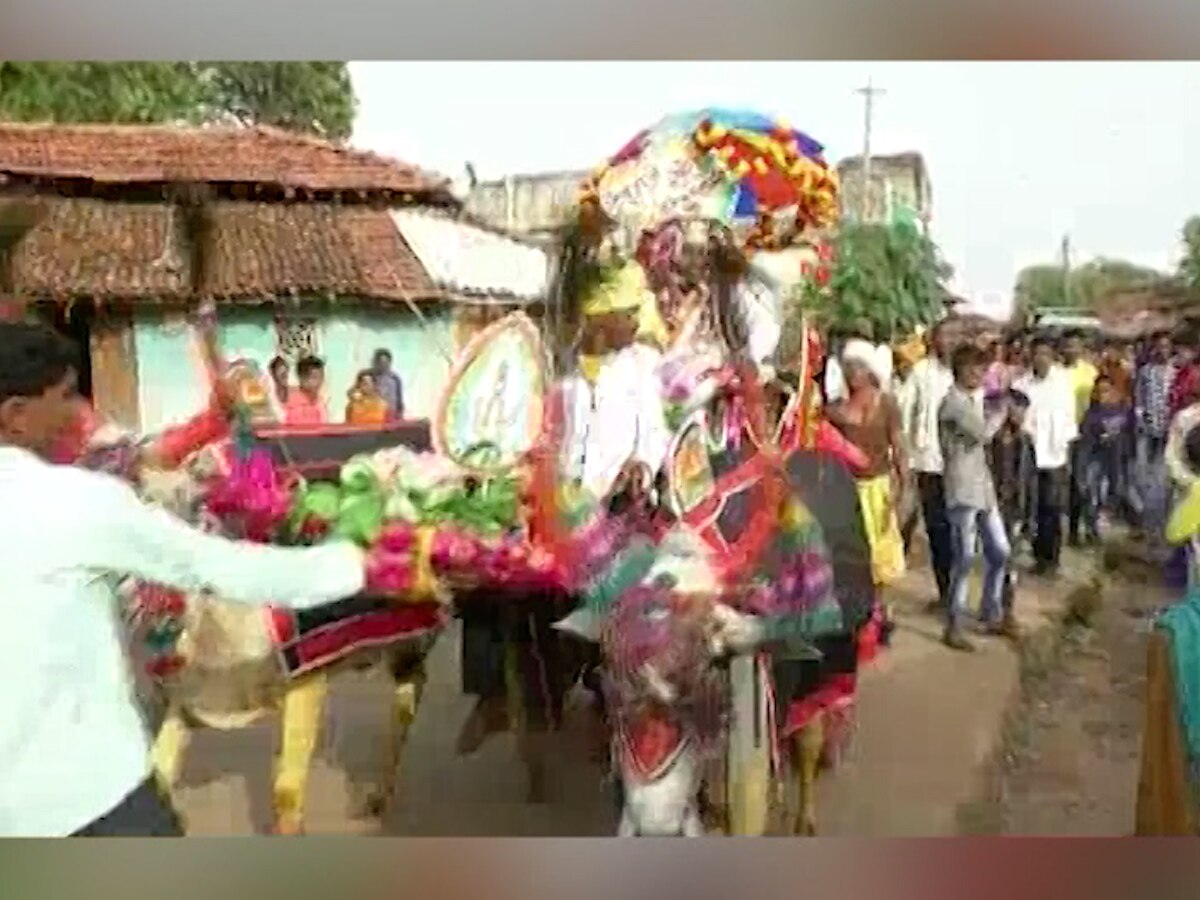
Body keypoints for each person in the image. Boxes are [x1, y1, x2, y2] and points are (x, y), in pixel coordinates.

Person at [0, 321, 379, 837]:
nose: (77, 409)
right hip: (84, 800)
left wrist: (211, 422)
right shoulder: (71, 500)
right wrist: (365, 563)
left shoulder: (87, 474)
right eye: (67, 395)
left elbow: (145, 457)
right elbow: (216, 566)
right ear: (16, 416)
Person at [938, 344, 1012, 651]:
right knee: (965, 557)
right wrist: (1003, 413)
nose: (982, 375)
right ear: (964, 370)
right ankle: (954, 623)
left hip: (981, 487)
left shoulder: (970, 400)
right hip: (962, 488)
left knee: (1000, 551)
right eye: (978, 369)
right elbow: (982, 433)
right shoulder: (953, 403)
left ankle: (989, 610)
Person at [827, 339, 907, 588]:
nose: (852, 373)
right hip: (847, 490)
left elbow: (899, 446)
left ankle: (878, 612)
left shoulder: (887, 404)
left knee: (881, 556)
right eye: (848, 367)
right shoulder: (835, 409)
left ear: (870, 371)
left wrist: (902, 486)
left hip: (878, 488)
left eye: (858, 367)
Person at [897, 318, 957, 610]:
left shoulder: (969, 374)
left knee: (962, 530)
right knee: (938, 530)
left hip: (963, 467)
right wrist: (905, 458)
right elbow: (905, 412)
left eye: (954, 336)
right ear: (933, 340)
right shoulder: (921, 372)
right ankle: (946, 592)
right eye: (944, 336)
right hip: (929, 462)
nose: (949, 341)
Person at [1014, 336, 1078, 577]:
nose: (1040, 358)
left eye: (1045, 354)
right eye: (1037, 353)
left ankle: (1052, 558)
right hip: (1029, 451)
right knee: (1031, 505)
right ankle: (1038, 555)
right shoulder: (1021, 385)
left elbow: (1069, 419)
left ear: (1052, 357)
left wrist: (1067, 452)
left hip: (1055, 453)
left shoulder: (1062, 382)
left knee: (1052, 506)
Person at [987, 389, 1036, 623]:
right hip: (993, 506)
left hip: (1015, 508)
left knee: (1009, 561)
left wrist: (1030, 516)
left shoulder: (1025, 441)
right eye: (1016, 409)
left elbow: (1031, 481)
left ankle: (1005, 610)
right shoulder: (992, 440)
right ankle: (994, 609)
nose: (1021, 415)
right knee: (997, 559)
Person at [1133, 331, 1177, 546]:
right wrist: (1141, 419)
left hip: (1169, 432)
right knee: (1143, 476)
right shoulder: (1145, 372)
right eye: (1158, 346)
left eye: (1165, 346)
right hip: (1148, 430)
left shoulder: (1176, 372)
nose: (1162, 350)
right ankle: (1146, 521)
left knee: (1165, 477)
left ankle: (1162, 522)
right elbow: (1139, 399)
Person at [1079, 373, 1132, 542]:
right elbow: (1085, 435)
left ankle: (1121, 521)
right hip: (1096, 458)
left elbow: (1130, 432)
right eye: (1100, 391)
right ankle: (1091, 528)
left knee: (1116, 490)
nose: (1104, 395)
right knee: (1094, 493)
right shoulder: (1091, 414)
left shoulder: (1123, 410)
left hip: (1117, 460)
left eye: (1107, 390)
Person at [1060, 330, 1099, 547]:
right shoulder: (1055, 373)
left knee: (1082, 483)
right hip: (1059, 435)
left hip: (1083, 434)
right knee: (1059, 485)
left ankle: (1082, 529)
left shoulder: (1090, 373)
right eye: (1068, 345)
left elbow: (1097, 403)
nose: (1071, 350)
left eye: (1075, 345)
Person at [283, 355, 328, 426]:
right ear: (302, 378)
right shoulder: (294, 405)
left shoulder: (319, 400)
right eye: (315, 377)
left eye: (322, 376)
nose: (320, 381)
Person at [371, 348, 405, 421]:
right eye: (381, 363)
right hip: (374, 416)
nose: (383, 366)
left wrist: (400, 415)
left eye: (386, 363)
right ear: (376, 363)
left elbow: (399, 399)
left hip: (391, 416)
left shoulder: (395, 379)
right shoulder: (369, 378)